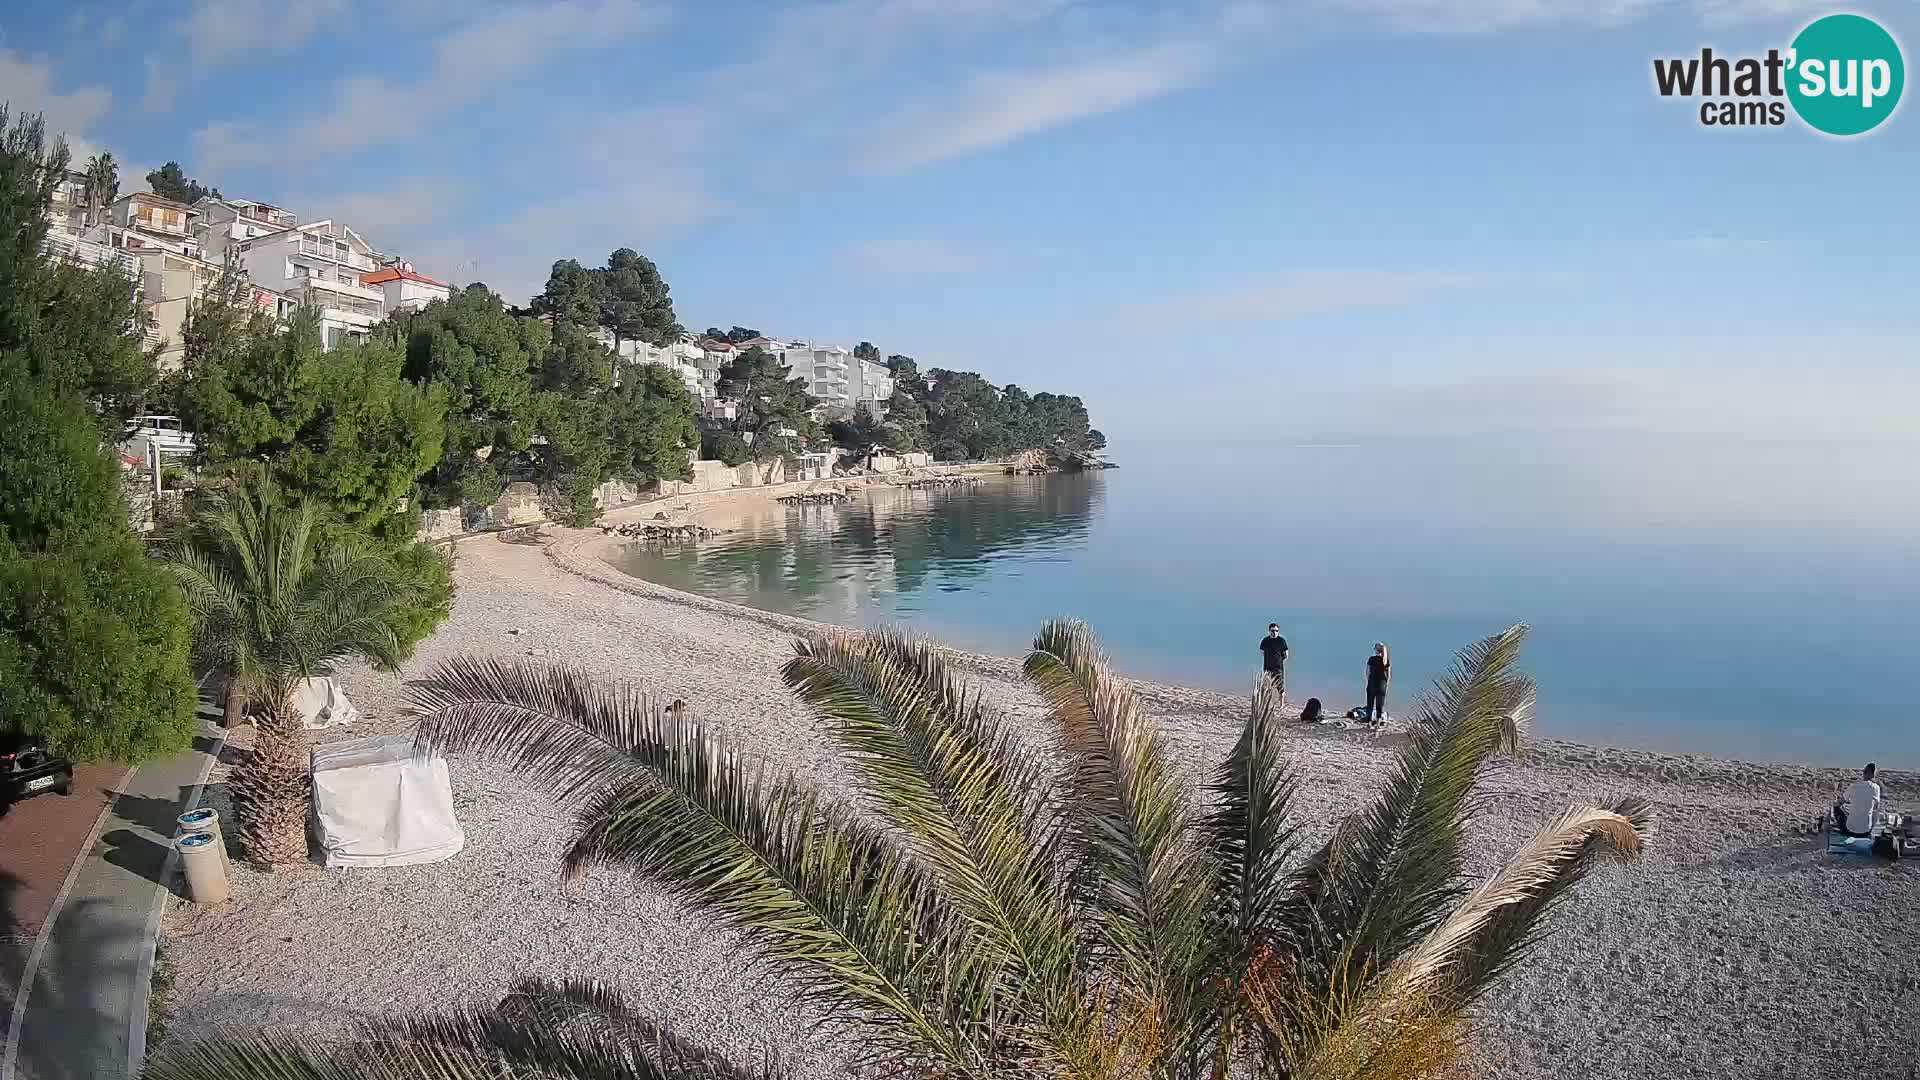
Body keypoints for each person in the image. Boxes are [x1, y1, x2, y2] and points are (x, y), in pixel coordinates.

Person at [1838, 762, 1882, 837]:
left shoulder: (1853, 786)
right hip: (1866, 830)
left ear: (1864, 773)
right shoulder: (1876, 788)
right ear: (1873, 774)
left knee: (1839, 809)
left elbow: (1841, 802)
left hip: (1850, 829)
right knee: (1876, 812)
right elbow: (1876, 807)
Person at [1364, 642, 1391, 725]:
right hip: (1382, 683)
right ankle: (1378, 721)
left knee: (1370, 702)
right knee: (1380, 704)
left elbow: (1367, 672)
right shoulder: (1386, 660)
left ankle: (1369, 721)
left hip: (1372, 682)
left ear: (1376, 650)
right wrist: (1386, 684)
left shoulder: (1371, 659)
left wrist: (1369, 680)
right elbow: (1389, 674)